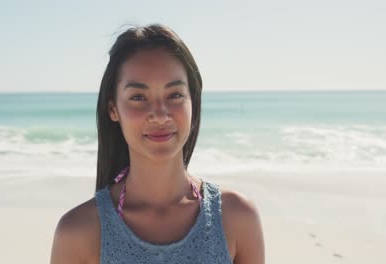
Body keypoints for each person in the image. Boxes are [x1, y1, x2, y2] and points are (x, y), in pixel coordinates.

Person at [50, 24, 265, 264]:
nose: (160, 115)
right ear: (113, 109)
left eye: (174, 95)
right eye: (138, 97)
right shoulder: (79, 232)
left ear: (192, 101)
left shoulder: (235, 218)